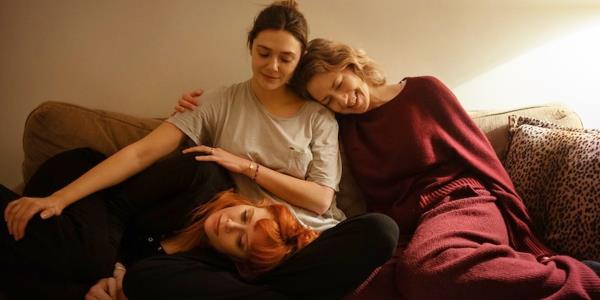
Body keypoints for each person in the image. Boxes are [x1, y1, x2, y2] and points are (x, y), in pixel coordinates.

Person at [3, 1, 398, 299]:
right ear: (249, 48)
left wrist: (245, 165)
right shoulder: (218, 101)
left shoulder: (318, 116)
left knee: (381, 229)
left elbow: (320, 198)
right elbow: (142, 153)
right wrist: (60, 197)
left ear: (298, 61)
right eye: (264, 53)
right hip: (239, 252)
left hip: (306, 243)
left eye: (286, 58)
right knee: (145, 278)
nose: (273, 67)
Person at [288, 38, 600, 299]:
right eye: (329, 99)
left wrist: (518, 222)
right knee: (366, 291)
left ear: (352, 66)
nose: (342, 99)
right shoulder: (346, 129)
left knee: (424, 271)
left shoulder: (423, 92)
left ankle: (583, 276)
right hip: (417, 227)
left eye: (340, 84)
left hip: (464, 201)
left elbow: (479, 154)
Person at [1, 148, 316, 300]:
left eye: (240, 241)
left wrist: (111, 283)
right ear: (252, 204)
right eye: (245, 217)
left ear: (238, 259)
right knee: (91, 260)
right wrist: (114, 269)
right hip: (82, 186)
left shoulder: (207, 269)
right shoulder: (202, 177)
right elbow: (118, 206)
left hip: (80, 246)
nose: (229, 225)